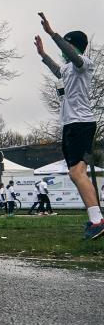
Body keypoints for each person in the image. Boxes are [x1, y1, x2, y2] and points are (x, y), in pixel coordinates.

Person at [35, 12, 104, 239]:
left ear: (74, 46)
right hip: (69, 125)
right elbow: (58, 70)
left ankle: (98, 220)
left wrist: (52, 33)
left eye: (67, 46)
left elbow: (73, 56)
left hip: (81, 123)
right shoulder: (67, 69)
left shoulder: (84, 64)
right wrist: (43, 54)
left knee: (77, 172)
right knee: (75, 173)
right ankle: (95, 219)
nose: (63, 52)